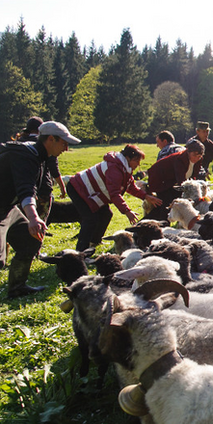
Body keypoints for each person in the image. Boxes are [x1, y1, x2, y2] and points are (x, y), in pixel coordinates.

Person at [0, 121, 78, 298]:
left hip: (7, 208)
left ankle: (17, 287)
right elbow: (25, 189)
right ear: (51, 139)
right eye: (64, 143)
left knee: (30, 239)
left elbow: (33, 189)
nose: (66, 148)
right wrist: (34, 217)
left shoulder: (38, 155)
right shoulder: (25, 156)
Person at [66, 145, 162, 252]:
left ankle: (94, 241)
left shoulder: (124, 168)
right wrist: (127, 211)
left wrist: (146, 196)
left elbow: (130, 187)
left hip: (90, 191)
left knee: (106, 214)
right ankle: (81, 251)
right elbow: (114, 194)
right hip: (78, 188)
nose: (138, 164)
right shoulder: (114, 169)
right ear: (128, 158)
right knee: (90, 219)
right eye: (136, 160)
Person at [18, 117, 67, 221]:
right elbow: (54, 168)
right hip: (42, 190)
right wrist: (62, 187)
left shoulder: (20, 142)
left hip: (20, 192)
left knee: (21, 224)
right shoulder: (45, 145)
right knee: (39, 223)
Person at [146, 140, 205, 220]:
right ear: (188, 152)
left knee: (162, 207)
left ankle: (147, 224)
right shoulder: (179, 159)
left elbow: (193, 176)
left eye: (199, 156)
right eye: (194, 155)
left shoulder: (198, 160)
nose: (196, 158)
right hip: (161, 181)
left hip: (173, 183)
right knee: (166, 205)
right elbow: (181, 181)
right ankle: (163, 224)